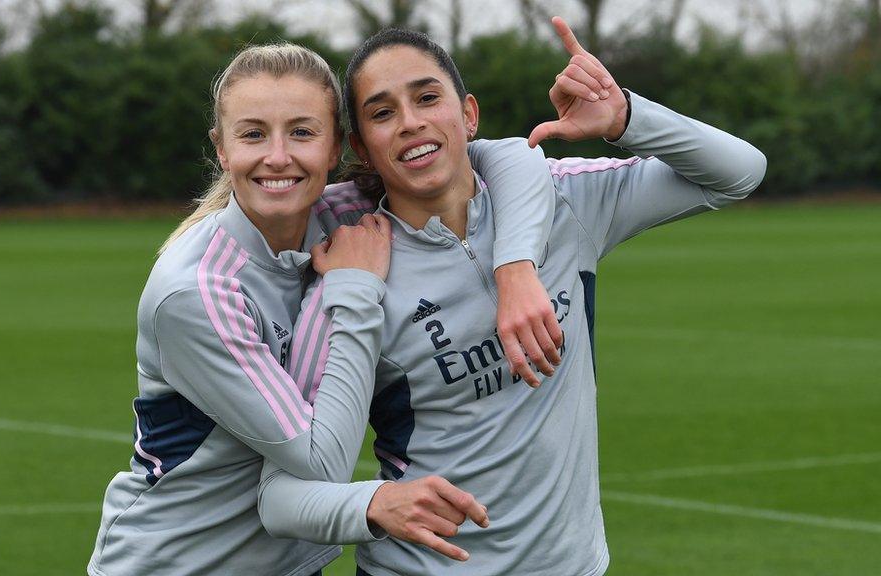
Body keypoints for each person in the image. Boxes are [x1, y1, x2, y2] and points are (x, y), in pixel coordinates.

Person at [257, 20, 767, 576]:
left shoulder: (564, 202)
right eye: (382, 113)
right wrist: (373, 505)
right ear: (361, 146)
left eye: (428, 97)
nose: (410, 122)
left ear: (468, 114)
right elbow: (285, 493)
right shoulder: (352, 272)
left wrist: (624, 117)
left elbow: (737, 173)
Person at [87, 43, 563, 576]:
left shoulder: (337, 214)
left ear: (336, 147)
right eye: (252, 134)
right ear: (221, 150)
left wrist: (515, 268)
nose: (277, 156)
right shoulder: (196, 291)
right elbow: (322, 461)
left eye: (302, 132)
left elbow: (509, 157)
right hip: (177, 564)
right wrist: (356, 290)